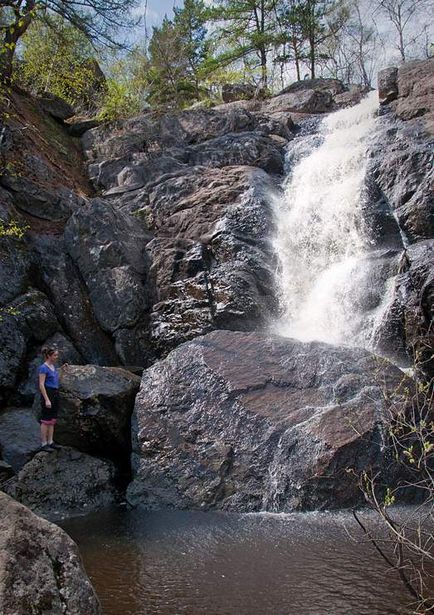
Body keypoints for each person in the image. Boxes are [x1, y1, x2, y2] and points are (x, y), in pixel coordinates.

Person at [38, 346, 61, 453]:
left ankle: (51, 442)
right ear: (48, 356)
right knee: (45, 420)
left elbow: (55, 377)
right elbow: (41, 384)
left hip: (55, 393)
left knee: (52, 420)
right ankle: (44, 443)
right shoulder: (43, 367)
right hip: (48, 393)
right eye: (55, 355)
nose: (57, 357)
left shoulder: (53, 367)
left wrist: (62, 369)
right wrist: (47, 399)